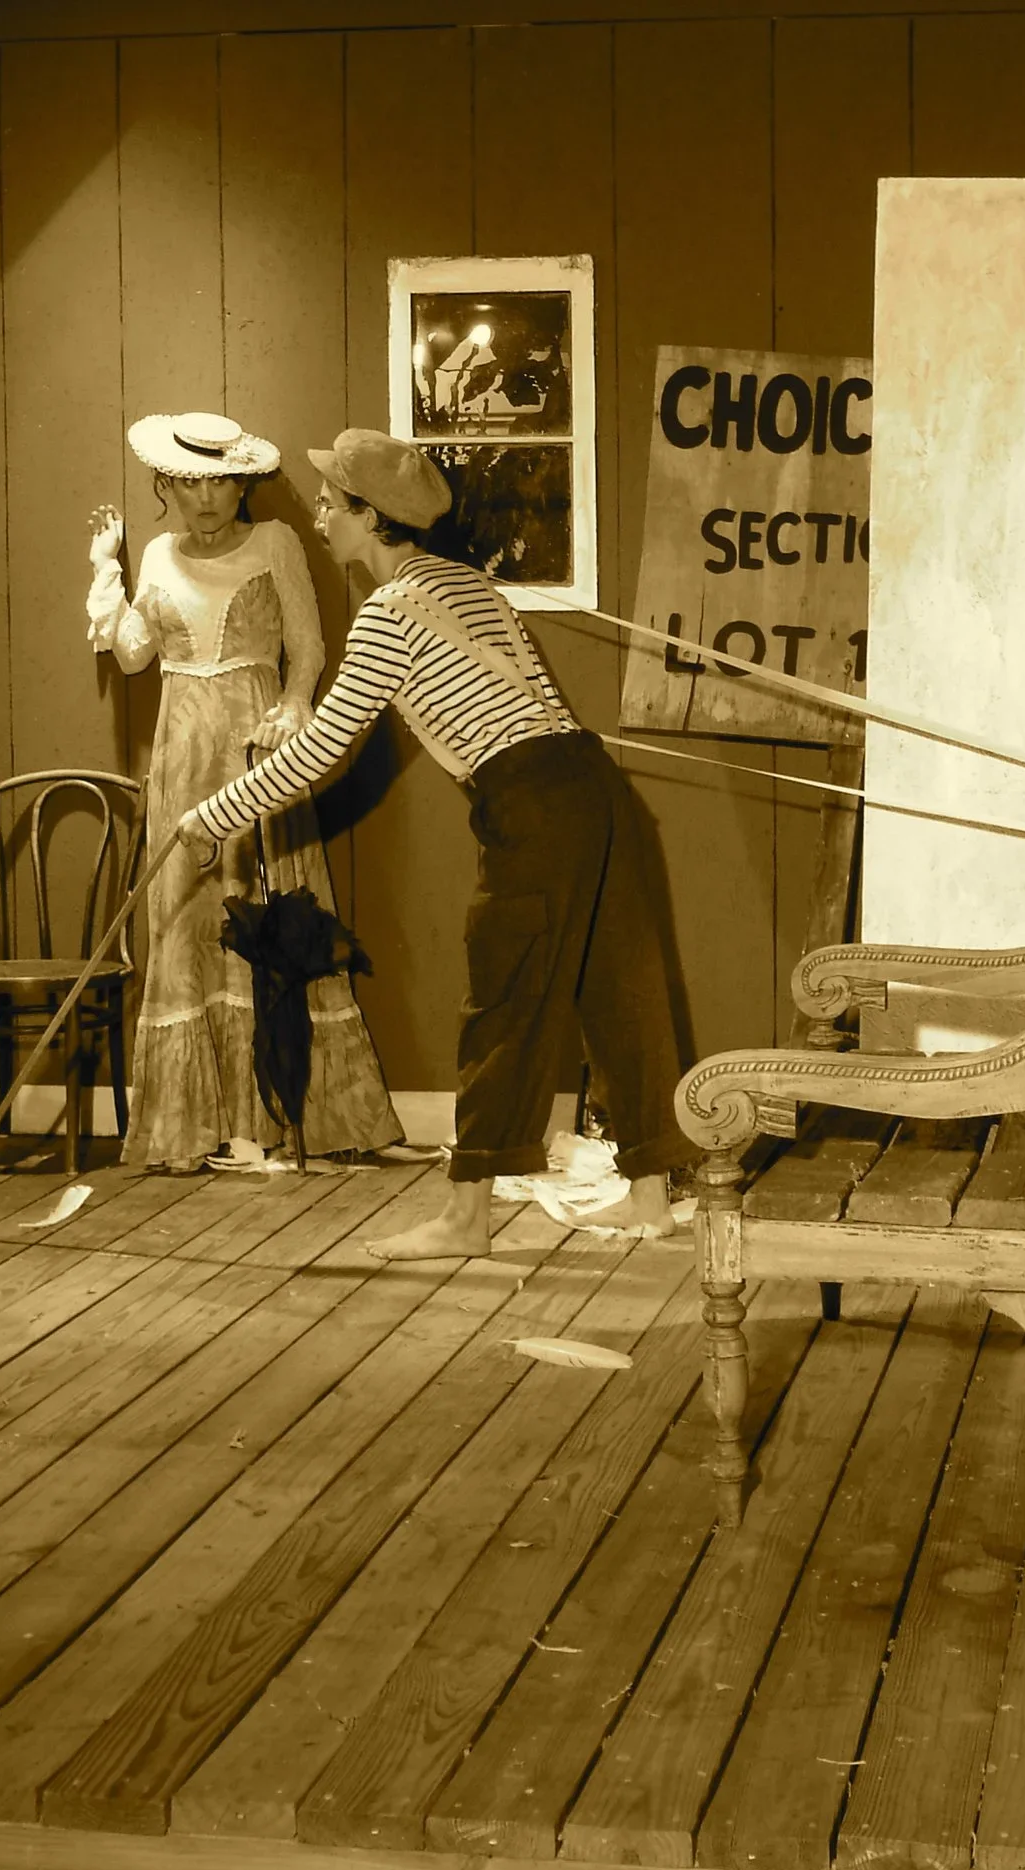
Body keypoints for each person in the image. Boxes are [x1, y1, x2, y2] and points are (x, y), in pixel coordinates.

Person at [180, 428, 694, 1258]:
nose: (316, 512)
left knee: (502, 1002)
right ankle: (650, 1197)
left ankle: (465, 1220)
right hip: (594, 788)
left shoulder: (388, 611)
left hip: (531, 802)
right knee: (618, 989)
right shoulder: (467, 584)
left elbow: (320, 750)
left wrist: (215, 812)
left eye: (329, 500)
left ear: (370, 517)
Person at [86, 411, 402, 1170]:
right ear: (167, 484)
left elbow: (311, 647)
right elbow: (132, 656)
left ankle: (280, 1117)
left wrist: (295, 706)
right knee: (187, 918)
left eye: (220, 481)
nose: (205, 499)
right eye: (189, 482)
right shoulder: (159, 554)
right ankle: (193, 1127)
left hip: (259, 752)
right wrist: (105, 565)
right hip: (181, 754)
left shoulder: (277, 543)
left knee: (267, 909)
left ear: (243, 483)